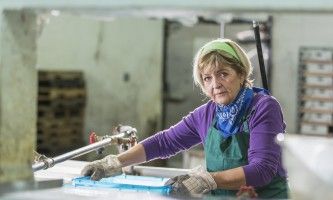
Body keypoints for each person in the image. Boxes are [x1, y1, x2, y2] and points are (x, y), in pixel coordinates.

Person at [81, 38, 289, 198]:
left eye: (223, 74)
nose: (215, 84)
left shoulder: (263, 107)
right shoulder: (208, 113)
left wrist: (207, 179)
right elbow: (165, 142)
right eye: (207, 78)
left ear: (242, 74)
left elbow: (262, 169)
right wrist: (114, 162)